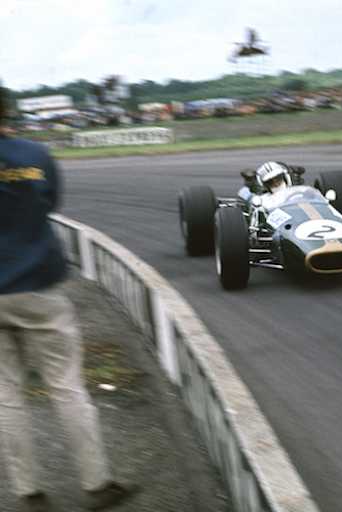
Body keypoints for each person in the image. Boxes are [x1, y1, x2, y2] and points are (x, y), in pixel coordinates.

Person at [0, 85, 138, 511]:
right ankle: (96, 485)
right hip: (38, 285)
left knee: (5, 395)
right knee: (66, 388)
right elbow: (50, 204)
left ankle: (28, 493)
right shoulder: (35, 156)